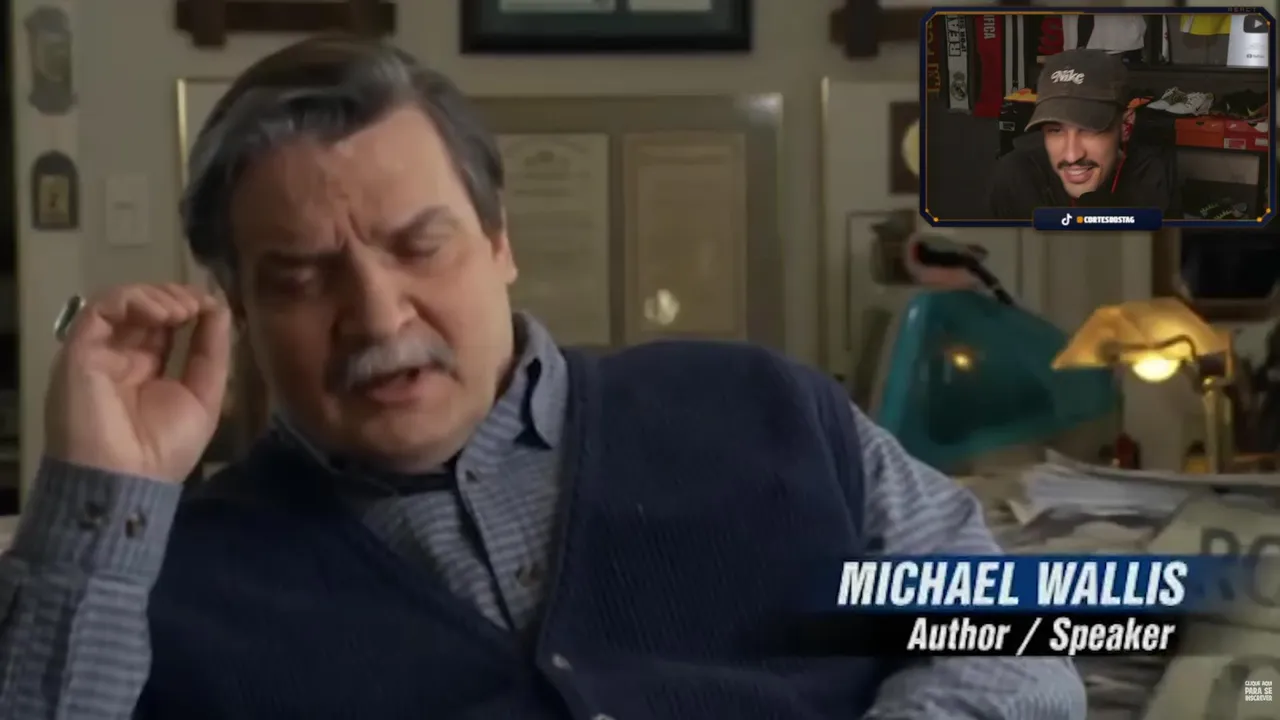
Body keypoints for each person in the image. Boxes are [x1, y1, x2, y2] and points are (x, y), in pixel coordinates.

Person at [1, 37, 1087, 720]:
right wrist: (101, 492)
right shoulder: (159, 577)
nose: (377, 315)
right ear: (237, 308)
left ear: (499, 241)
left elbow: (1017, 641)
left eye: (420, 246)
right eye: (299, 278)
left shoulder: (762, 407)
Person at [987, 49, 1179, 219]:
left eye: (1090, 129)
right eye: (1055, 130)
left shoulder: (1151, 177)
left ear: (1126, 126)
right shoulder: (1017, 178)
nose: (1072, 156)